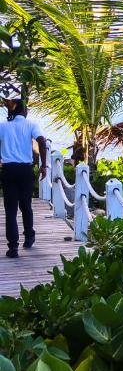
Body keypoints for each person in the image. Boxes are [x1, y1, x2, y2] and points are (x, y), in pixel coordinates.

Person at [0, 99, 47, 258]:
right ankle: (29, 237)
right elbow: (42, 140)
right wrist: (43, 165)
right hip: (25, 170)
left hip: (8, 170)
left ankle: (13, 248)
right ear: (24, 111)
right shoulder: (31, 124)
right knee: (26, 205)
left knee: (11, 210)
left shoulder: (3, 126)